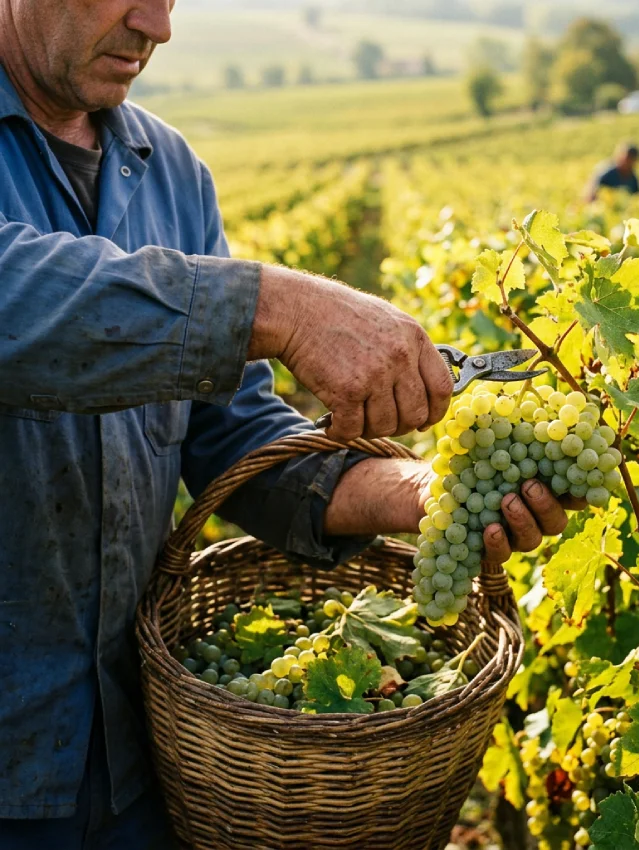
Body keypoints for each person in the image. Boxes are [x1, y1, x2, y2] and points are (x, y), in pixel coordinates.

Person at [0, 2, 574, 847]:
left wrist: (419, 494)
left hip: (141, 759)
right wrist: (277, 306)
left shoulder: (170, 174)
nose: (157, 26)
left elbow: (230, 436)